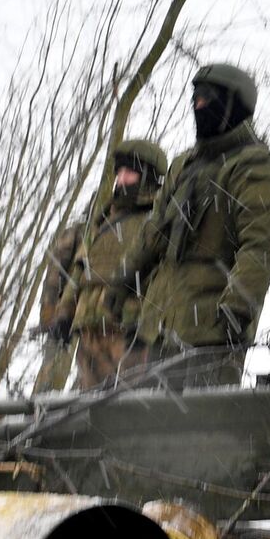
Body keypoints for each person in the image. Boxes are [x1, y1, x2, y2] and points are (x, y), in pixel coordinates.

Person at [124, 63, 270, 388]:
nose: (199, 107)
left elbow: (262, 245)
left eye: (208, 99)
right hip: (156, 330)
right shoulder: (183, 166)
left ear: (235, 105)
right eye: (195, 99)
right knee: (136, 431)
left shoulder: (256, 165)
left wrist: (236, 309)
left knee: (195, 433)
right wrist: (123, 283)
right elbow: (153, 236)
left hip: (210, 335)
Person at [66, 138, 166, 389]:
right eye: (119, 173)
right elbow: (79, 271)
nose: (121, 180)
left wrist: (144, 327)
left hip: (127, 329)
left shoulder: (157, 220)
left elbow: (162, 278)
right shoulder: (101, 220)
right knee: (85, 407)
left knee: (124, 405)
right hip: (88, 328)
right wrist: (63, 315)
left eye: (129, 173)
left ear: (148, 177)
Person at [30, 220, 83, 394]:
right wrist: (49, 316)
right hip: (66, 317)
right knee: (52, 372)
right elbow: (54, 275)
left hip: (91, 319)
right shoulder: (78, 233)